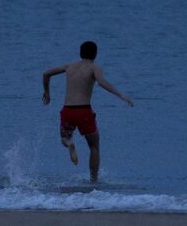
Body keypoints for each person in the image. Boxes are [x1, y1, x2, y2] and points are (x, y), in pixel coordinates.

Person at [41, 40, 133, 182]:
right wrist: (120, 95)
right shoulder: (94, 68)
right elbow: (101, 82)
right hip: (84, 111)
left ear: (80, 53)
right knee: (94, 146)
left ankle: (70, 144)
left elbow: (46, 74)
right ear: (95, 54)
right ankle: (93, 179)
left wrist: (47, 93)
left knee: (64, 138)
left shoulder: (69, 66)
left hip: (68, 110)